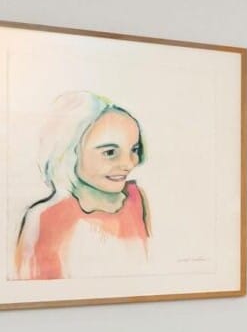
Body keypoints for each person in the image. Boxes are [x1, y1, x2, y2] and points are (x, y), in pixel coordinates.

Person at [13, 91, 150, 280]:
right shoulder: (45, 218)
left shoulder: (136, 199)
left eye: (134, 149)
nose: (128, 164)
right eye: (110, 152)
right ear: (70, 152)